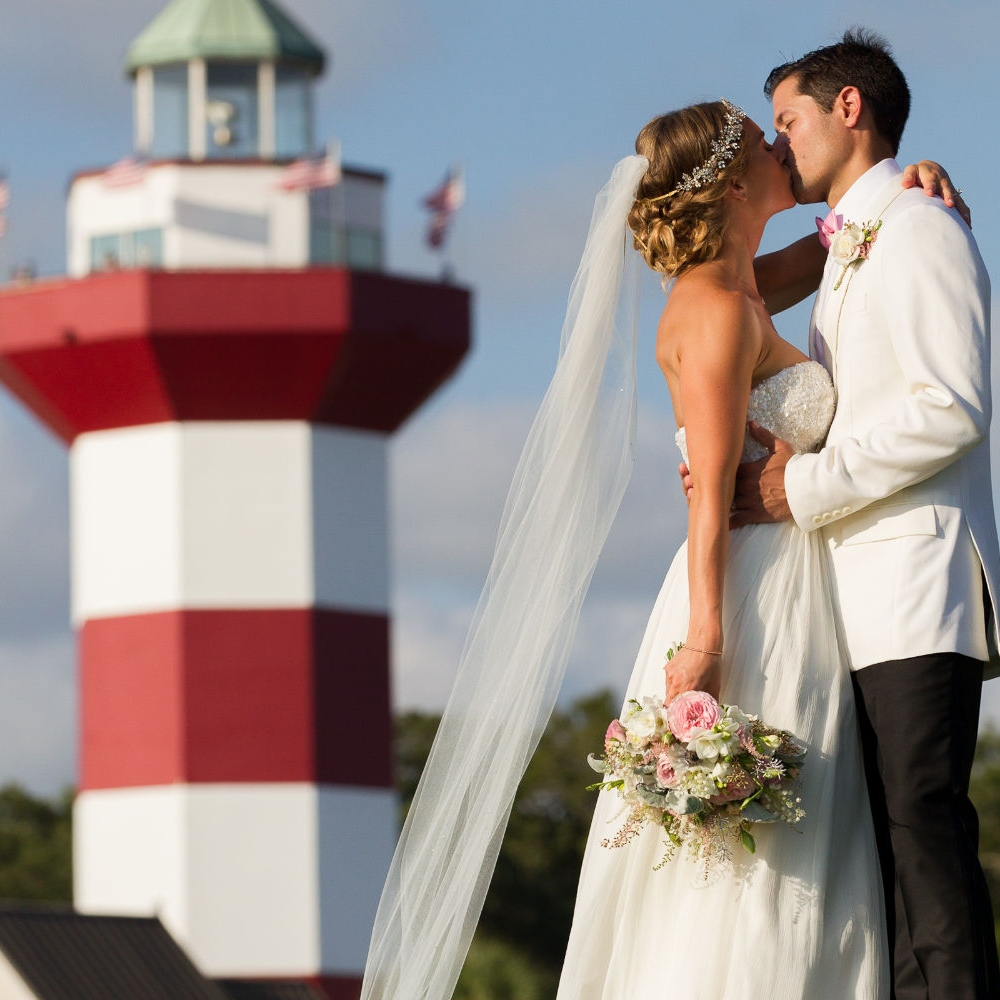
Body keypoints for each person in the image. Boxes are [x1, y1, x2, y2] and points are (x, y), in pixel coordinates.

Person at [359, 90, 960, 1000]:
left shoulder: (740, 287)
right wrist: (708, 639)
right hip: (751, 595)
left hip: (795, 572)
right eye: (764, 140)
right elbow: (709, 495)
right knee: (764, 858)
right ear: (728, 180)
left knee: (806, 836)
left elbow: (850, 237)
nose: (780, 148)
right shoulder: (714, 312)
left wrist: (902, 183)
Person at [726, 29, 1000, 1000]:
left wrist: (793, 489)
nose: (776, 141)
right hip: (854, 587)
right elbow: (719, 292)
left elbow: (948, 410)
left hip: (913, 579)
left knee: (920, 821)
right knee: (881, 835)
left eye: (787, 119)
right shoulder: (853, 236)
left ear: (850, 110)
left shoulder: (921, 226)